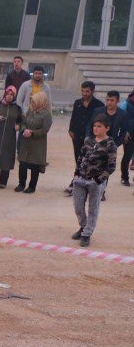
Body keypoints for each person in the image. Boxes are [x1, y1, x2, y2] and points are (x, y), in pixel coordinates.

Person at [71, 115, 118, 248]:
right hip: (80, 179)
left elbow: (111, 167)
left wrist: (99, 180)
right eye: (94, 126)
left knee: (93, 209)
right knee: (78, 207)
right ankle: (84, 226)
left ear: (107, 128)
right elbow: (80, 157)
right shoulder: (88, 141)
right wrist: (76, 173)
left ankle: (87, 234)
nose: (96, 129)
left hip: (95, 182)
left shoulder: (110, 145)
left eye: (99, 126)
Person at [66, 81, 105, 195]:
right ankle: (77, 181)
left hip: (92, 137)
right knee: (78, 159)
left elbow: (100, 121)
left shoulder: (99, 105)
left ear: (92, 91)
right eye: (83, 91)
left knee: (89, 160)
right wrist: (71, 129)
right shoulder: (77, 103)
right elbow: (73, 117)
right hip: (77, 135)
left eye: (87, 91)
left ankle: (81, 183)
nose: (84, 93)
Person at [16, 92, 53, 193]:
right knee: (22, 163)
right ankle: (21, 184)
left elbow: (45, 130)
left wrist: (32, 133)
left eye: (34, 101)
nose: (31, 102)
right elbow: (24, 123)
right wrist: (24, 130)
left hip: (37, 144)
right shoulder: (30, 111)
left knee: (34, 166)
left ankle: (32, 187)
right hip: (26, 141)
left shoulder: (46, 114)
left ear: (40, 101)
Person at [0, 87, 23, 189]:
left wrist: (19, 126)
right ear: (4, 94)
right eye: (7, 94)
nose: (9, 96)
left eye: (11, 95)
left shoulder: (17, 108)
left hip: (9, 138)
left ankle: (3, 182)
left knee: (6, 160)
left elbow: (21, 121)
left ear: (14, 96)